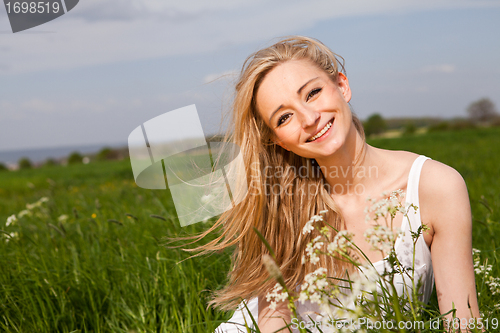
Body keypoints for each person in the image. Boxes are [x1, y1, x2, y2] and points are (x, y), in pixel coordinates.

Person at [193, 36, 479, 332]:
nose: (308, 118)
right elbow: (274, 325)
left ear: (342, 85)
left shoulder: (435, 186)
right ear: (279, 141)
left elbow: (464, 324)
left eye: (312, 93)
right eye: (285, 117)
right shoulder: (283, 206)